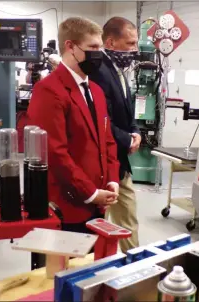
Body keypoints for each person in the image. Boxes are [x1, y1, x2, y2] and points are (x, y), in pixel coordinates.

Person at [27, 17, 120, 233]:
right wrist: (90, 193)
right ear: (70, 46)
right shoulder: (49, 90)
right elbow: (55, 152)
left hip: (98, 204)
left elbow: (107, 141)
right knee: (65, 266)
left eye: (100, 47)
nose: (99, 54)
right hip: (67, 207)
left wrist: (112, 181)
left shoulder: (95, 91)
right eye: (93, 47)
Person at [89, 17, 140, 253]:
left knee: (127, 217)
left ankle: (138, 268)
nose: (135, 50)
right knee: (99, 219)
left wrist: (135, 132)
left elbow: (126, 110)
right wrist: (126, 139)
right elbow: (101, 119)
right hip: (103, 161)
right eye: (130, 43)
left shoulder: (119, 70)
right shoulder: (99, 71)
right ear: (110, 42)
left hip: (120, 160)